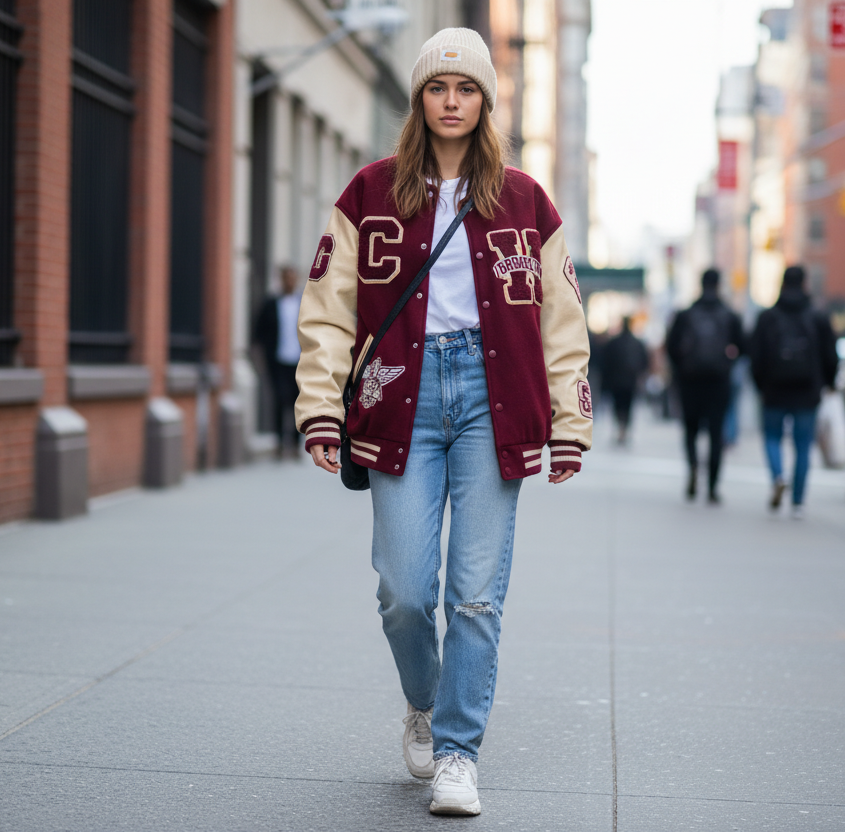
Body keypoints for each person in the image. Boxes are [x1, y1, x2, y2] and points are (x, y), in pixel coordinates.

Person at [293, 28, 591, 817]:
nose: (452, 102)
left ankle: (458, 754)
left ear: (485, 101)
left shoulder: (527, 201)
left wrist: (571, 421)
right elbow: (327, 312)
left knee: (476, 597)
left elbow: (562, 321)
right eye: (438, 88)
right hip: (402, 398)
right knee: (403, 590)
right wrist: (320, 406)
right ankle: (424, 700)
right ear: (420, 99)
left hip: (496, 402)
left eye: (466, 90)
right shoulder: (369, 190)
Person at [749, 265, 838, 518]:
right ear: (804, 284)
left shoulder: (767, 318)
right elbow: (831, 355)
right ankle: (798, 501)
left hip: (774, 390)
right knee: (802, 445)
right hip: (807, 391)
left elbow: (755, 356)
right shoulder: (817, 317)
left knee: (772, 438)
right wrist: (830, 383)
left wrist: (760, 385)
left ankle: (778, 476)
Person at [666, 269, 745, 503]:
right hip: (718, 383)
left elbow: (671, 347)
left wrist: (681, 371)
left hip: (690, 382)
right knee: (716, 434)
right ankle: (712, 486)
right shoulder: (730, 315)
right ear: (719, 284)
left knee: (690, 431)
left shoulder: (686, 314)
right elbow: (742, 347)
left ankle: (692, 471)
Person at [252, 267, 303, 457]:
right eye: (285, 278)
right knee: (280, 399)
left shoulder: (304, 302)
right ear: (280, 280)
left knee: (298, 401)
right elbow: (259, 332)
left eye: (292, 278)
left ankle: (297, 444)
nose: (289, 282)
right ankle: (281, 443)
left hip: (300, 362)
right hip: (278, 361)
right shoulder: (271, 303)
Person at [600, 317, 650, 444]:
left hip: (616, 381)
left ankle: (620, 429)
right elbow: (644, 362)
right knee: (628, 406)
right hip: (631, 381)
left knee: (617, 406)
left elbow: (605, 363)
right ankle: (624, 430)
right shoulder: (637, 343)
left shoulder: (613, 342)